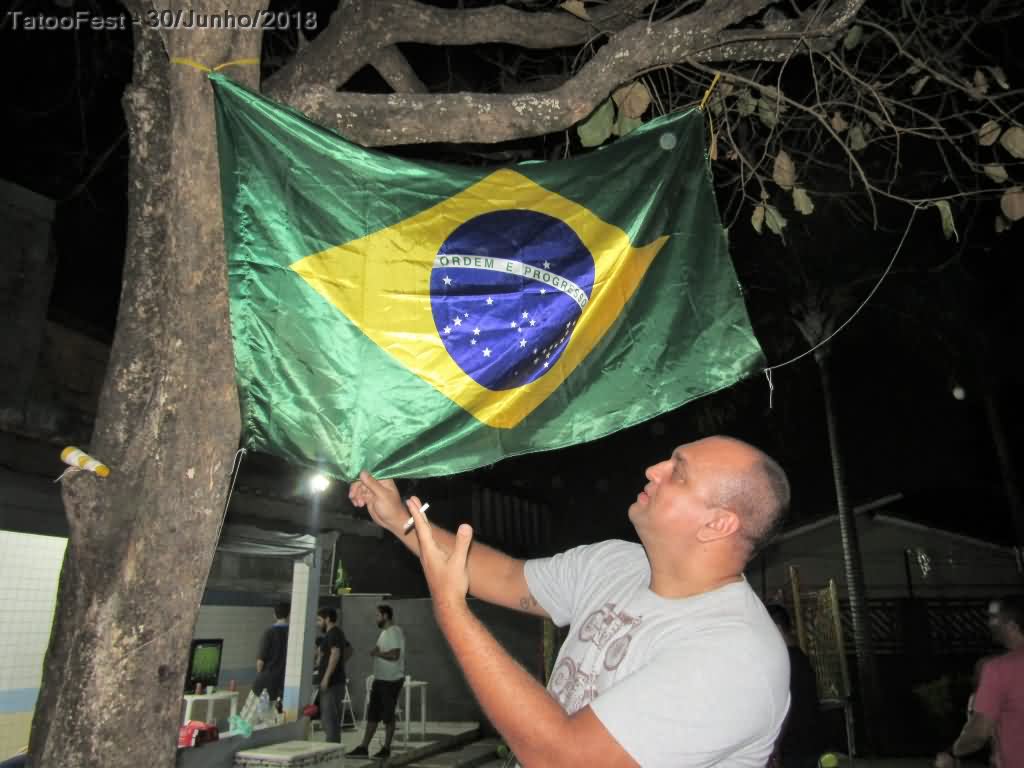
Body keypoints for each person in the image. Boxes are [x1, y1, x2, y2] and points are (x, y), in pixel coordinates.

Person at [350, 435, 791, 767]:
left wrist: (451, 610)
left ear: (718, 524)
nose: (653, 470)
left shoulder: (736, 656)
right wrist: (399, 519)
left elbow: (562, 758)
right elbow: (505, 577)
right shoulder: (615, 563)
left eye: (678, 472)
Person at [935, 595, 1024, 768]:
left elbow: (978, 734)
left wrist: (952, 753)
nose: (988, 624)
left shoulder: (998, 669)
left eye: (993, 618)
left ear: (1012, 626)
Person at [767, 603, 824, 768]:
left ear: (777, 628)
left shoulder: (787, 662)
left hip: (794, 747)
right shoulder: (797, 657)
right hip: (806, 743)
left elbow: (787, 708)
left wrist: (776, 745)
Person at [347, 604, 407, 759]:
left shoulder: (394, 631)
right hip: (380, 680)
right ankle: (363, 747)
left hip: (391, 680)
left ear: (385, 616)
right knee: (372, 715)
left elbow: (394, 655)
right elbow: (382, 651)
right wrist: (376, 652)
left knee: (388, 715)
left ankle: (386, 748)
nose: (376, 619)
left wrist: (378, 653)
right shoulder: (384, 633)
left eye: (378, 616)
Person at [316, 607, 353, 744]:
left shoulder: (333, 633)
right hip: (334, 681)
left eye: (319, 620)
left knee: (330, 720)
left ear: (327, 619)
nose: (317, 623)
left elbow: (336, 653)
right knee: (328, 719)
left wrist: (327, 677)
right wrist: (338, 664)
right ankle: (332, 748)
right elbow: (349, 650)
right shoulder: (335, 633)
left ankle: (332, 749)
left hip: (332, 683)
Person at [252, 602, 290, 703]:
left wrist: (260, 675)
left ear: (274, 615)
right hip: (284, 681)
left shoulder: (269, 632)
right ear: (288, 614)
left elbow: (260, 662)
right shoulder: (292, 633)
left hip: (268, 679)